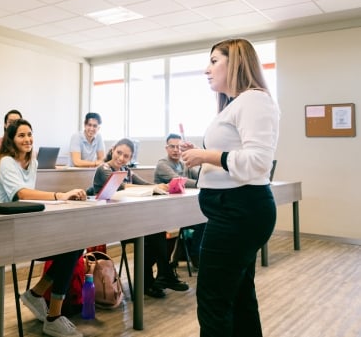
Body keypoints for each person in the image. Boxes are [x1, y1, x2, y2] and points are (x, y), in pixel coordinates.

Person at [181, 38, 279, 337]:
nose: (206, 69)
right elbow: (233, 158)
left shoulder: (254, 100)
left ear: (234, 62)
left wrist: (206, 155)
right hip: (234, 210)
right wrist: (200, 154)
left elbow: (259, 161)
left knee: (213, 299)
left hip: (239, 210)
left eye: (213, 61)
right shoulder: (237, 104)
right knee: (238, 295)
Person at [0, 118, 86, 337]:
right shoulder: (5, 162)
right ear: (11, 140)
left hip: (24, 223)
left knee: (74, 243)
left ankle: (40, 298)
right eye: (21, 135)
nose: (27, 139)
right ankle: (50, 314)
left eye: (30, 134)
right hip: (3, 228)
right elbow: (21, 194)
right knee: (70, 246)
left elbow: (26, 201)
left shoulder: (32, 162)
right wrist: (60, 195)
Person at [89, 138, 189, 298]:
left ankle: (155, 279)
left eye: (126, 156)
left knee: (156, 230)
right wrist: (152, 187)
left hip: (126, 219)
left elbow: (144, 183)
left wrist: (158, 186)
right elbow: (123, 186)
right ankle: (159, 276)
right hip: (107, 222)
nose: (121, 158)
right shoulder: (104, 169)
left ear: (130, 158)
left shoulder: (127, 170)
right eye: (119, 153)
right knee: (151, 234)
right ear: (113, 150)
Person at [154, 133, 204, 268]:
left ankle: (195, 253)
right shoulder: (162, 165)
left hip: (182, 210)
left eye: (178, 147)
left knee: (205, 218)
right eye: (172, 146)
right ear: (166, 148)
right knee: (202, 219)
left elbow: (198, 176)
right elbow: (180, 181)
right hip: (164, 213)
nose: (176, 150)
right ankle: (194, 253)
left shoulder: (184, 164)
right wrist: (203, 183)